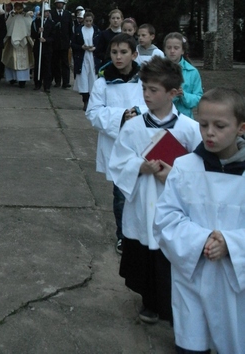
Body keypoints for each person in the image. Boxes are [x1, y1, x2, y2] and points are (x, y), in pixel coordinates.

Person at [108, 56, 201, 324]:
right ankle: (149, 301)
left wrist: (174, 175)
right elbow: (118, 162)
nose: (146, 95)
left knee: (171, 255)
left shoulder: (189, 129)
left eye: (153, 90)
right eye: (144, 88)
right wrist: (140, 166)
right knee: (146, 256)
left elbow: (201, 172)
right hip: (143, 200)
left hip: (175, 205)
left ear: (173, 93)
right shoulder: (133, 127)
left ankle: (173, 305)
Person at [154, 88, 245, 354]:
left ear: (241, 128)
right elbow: (166, 218)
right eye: (203, 124)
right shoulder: (185, 167)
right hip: (192, 279)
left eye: (220, 126)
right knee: (192, 344)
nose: (209, 133)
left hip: (236, 287)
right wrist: (202, 239)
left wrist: (231, 243)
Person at [86, 33, 146, 253]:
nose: (118, 57)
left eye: (123, 52)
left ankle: (142, 233)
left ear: (134, 55)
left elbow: (156, 105)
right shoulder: (103, 82)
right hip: (117, 146)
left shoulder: (146, 80)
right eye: (114, 52)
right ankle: (123, 235)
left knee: (143, 193)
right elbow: (93, 112)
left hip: (142, 144)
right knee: (121, 195)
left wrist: (138, 112)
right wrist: (121, 116)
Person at [163, 32, 203, 118]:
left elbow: (198, 98)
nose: (172, 51)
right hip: (161, 118)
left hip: (185, 118)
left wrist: (183, 95)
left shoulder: (192, 72)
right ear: (164, 50)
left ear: (182, 51)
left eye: (176, 48)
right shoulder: (157, 70)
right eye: (169, 48)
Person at [71, 11, 101, 111]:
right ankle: (85, 101)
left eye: (90, 21)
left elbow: (101, 44)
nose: (88, 23)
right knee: (83, 80)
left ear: (93, 21)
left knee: (93, 79)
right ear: (83, 20)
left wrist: (95, 48)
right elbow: (73, 44)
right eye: (86, 21)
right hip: (82, 58)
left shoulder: (97, 30)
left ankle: (92, 102)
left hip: (93, 58)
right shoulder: (79, 30)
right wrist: (81, 47)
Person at [2, 1, 34, 88]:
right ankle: (12, 78)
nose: (18, 7)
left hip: (24, 43)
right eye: (17, 6)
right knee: (12, 61)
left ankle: (22, 80)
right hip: (12, 43)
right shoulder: (11, 16)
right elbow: (7, 27)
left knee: (23, 62)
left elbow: (30, 27)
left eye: (20, 6)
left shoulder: (26, 16)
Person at [31, 3, 55, 93]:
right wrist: (38, 32)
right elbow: (32, 34)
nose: (47, 13)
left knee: (47, 67)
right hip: (38, 47)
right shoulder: (35, 22)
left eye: (48, 11)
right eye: (45, 11)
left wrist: (46, 40)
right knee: (38, 66)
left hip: (47, 48)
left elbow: (54, 36)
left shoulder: (51, 23)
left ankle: (47, 85)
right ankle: (37, 83)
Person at [51, 0, 73, 88]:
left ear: (63, 4)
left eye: (61, 3)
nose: (60, 5)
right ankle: (57, 81)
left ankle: (66, 82)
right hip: (55, 42)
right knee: (56, 63)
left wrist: (70, 40)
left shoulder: (67, 14)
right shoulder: (52, 14)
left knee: (65, 63)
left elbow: (70, 28)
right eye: (58, 3)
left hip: (65, 43)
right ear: (56, 4)